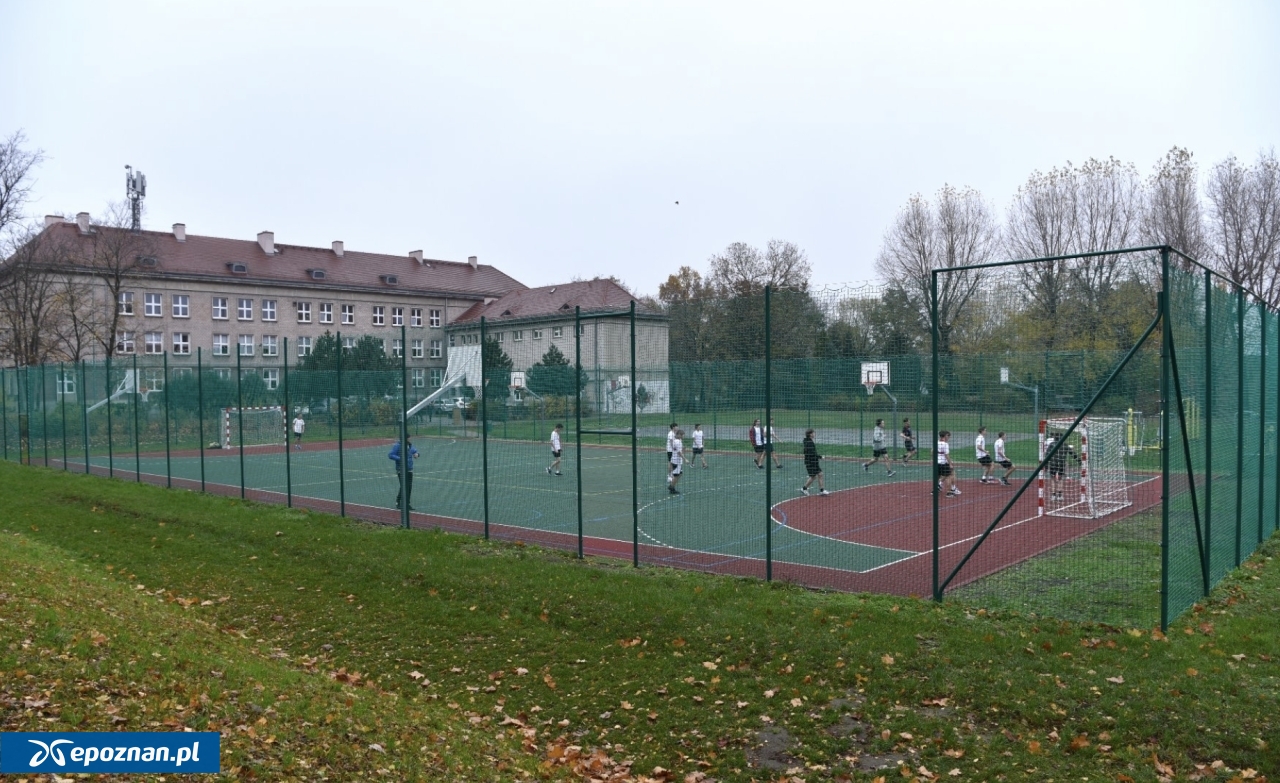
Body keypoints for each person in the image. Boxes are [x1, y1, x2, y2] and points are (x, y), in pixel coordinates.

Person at [1045, 431, 1079, 501]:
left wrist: (1046, 465)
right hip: (1061, 464)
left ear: (1054, 438)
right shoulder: (1064, 445)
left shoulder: (1051, 444)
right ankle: (1060, 495)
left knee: (1053, 479)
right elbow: (1072, 453)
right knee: (1060, 479)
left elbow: (1047, 455)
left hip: (1053, 464)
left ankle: (1053, 495)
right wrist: (1079, 460)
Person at [389, 436, 420, 511]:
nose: (410, 439)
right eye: (408, 437)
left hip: (409, 469)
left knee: (409, 487)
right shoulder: (397, 446)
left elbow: (415, 451)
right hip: (401, 469)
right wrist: (400, 458)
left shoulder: (409, 445)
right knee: (404, 486)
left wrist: (417, 454)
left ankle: (407, 503)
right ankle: (398, 502)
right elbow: (391, 455)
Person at [800, 429, 830, 496]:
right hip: (811, 462)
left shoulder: (808, 441)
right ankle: (804, 488)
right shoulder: (809, 443)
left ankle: (821, 490)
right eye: (813, 433)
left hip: (813, 461)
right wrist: (820, 457)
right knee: (813, 476)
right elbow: (812, 453)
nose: (814, 434)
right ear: (810, 434)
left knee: (820, 474)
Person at [937, 430, 959, 497]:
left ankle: (936, 488)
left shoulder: (936, 442)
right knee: (949, 476)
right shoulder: (945, 444)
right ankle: (949, 492)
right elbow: (947, 455)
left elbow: (932, 451)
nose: (948, 437)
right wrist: (950, 464)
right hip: (944, 463)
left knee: (938, 476)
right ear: (945, 436)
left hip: (937, 463)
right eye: (948, 436)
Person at [669, 428, 685, 494]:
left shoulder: (676, 441)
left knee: (680, 473)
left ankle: (672, 486)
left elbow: (679, 451)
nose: (683, 436)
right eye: (682, 435)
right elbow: (679, 453)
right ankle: (672, 487)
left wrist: (683, 449)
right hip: (677, 461)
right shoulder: (678, 442)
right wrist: (685, 459)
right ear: (678, 435)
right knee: (676, 475)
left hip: (675, 460)